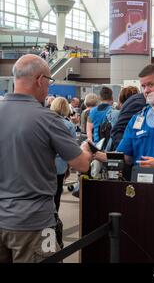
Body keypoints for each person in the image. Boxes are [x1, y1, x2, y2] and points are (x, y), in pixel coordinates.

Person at [0, 54, 92, 263]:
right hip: (35, 223)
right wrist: (86, 149)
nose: (48, 88)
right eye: (49, 82)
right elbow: (81, 164)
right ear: (40, 80)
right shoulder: (47, 119)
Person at [50, 97, 77, 212]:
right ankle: (54, 221)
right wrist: (69, 167)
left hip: (42, 164)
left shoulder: (43, 121)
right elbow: (71, 149)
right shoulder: (69, 125)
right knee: (57, 195)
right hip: (60, 165)